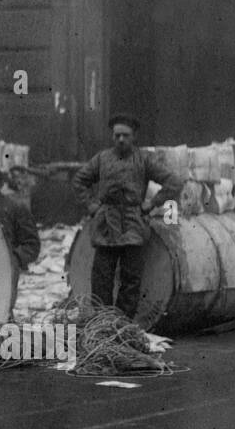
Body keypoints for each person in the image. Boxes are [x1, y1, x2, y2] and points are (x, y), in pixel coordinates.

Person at [71, 114, 182, 319]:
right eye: (117, 135)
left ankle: (123, 324)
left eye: (125, 135)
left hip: (133, 224)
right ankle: (103, 322)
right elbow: (80, 180)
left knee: (131, 279)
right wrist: (92, 206)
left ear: (134, 137)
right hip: (106, 224)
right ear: (112, 137)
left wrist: (152, 203)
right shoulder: (102, 159)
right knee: (101, 277)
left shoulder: (144, 160)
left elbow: (174, 182)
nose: (121, 139)